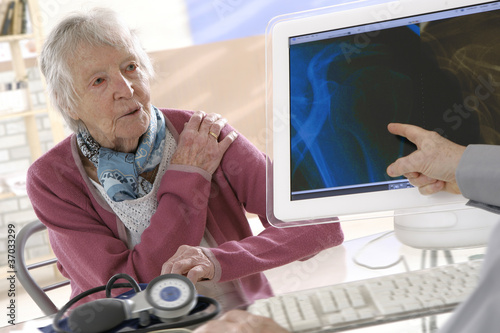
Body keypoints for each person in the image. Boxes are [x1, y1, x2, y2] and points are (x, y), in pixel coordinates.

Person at [26, 8, 344, 311]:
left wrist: (220, 262)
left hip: (232, 317)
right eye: (99, 81)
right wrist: (189, 176)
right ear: (69, 105)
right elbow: (126, 288)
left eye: (130, 67)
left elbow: (319, 223)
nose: (126, 89)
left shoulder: (202, 133)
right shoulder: (52, 179)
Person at [193, 123, 500, 332]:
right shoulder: (200, 133)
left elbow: (318, 227)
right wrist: (464, 164)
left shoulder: (208, 134)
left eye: (140, 67)